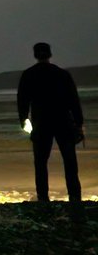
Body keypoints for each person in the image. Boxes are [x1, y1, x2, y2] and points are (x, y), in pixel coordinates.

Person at [17, 42, 85, 203]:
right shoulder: (62, 74)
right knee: (69, 161)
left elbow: (22, 101)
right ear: (50, 54)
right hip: (63, 121)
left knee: (40, 162)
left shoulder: (28, 74)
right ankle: (74, 196)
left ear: (35, 55)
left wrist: (24, 121)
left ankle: (43, 197)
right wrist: (79, 123)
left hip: (41, 122)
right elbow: (74, 100)